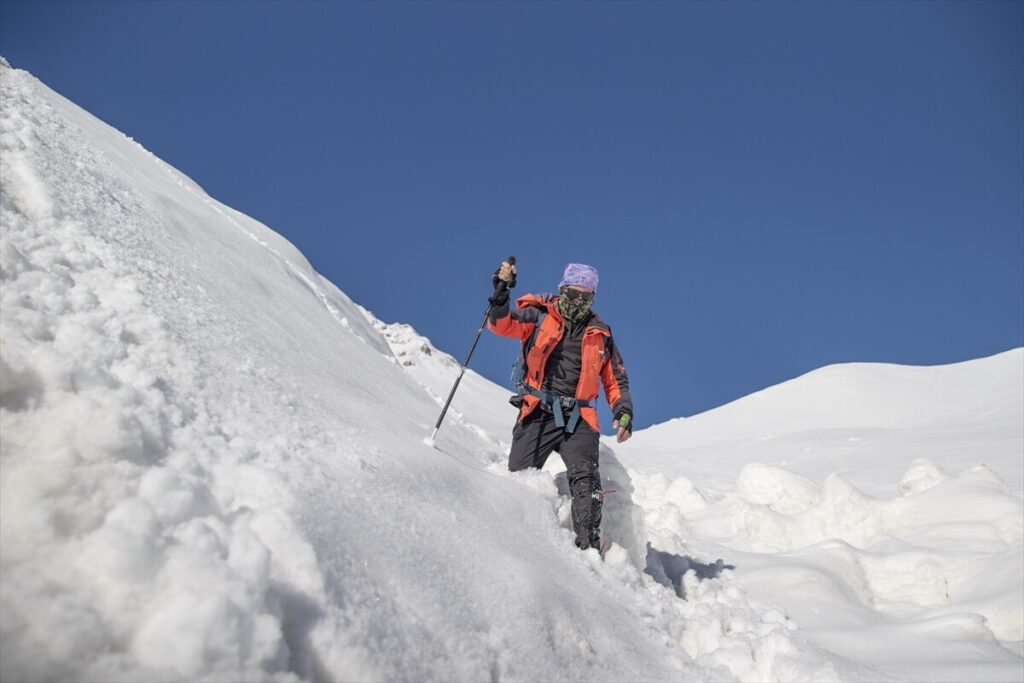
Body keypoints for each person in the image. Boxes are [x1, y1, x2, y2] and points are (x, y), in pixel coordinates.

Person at [487, 261, 633, 552]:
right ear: (562, 290)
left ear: (592, 298)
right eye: (572, 295)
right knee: (518, 477)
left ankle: (588, 549)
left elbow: (615, 378)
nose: (577, 302)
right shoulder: (538, 314)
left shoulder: (600, 332)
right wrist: (501, 295)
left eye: (585, 297)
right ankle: (513, 542)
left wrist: (622, 410)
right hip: (538, 410)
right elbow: (501, 325)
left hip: (579, 417)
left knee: (586, 481)